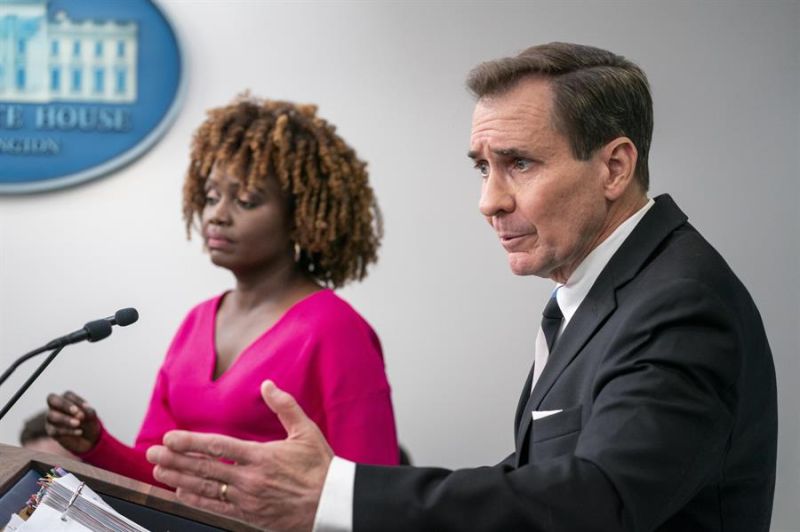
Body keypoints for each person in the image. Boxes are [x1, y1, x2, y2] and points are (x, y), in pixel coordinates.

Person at [145, 43, 778, 531]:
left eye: (519, 163)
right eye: (484, 167)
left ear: (614, 166)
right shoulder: (601, 292)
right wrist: (338, 491)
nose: (488, 201)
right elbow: (537, 482)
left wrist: (338, 494)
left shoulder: (680, 301)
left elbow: (599, 501)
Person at [44, 97, 399, 488]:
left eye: (245, 200)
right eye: (212, 197)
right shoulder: (197, 321)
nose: (217, 214)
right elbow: (159, 472)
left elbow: (370, 489)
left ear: (301, 217)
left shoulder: (336, 329)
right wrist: (95, 444)